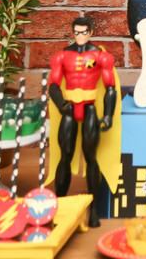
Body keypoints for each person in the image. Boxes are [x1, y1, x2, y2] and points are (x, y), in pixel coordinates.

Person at [48, 16, 119, 227]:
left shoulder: (100, 56)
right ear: (73, 32)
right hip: (69, 108)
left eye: (84, 32)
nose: (80, 36)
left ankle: (94, 209)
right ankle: (59, 206)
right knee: (65, 156)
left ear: (91, 32)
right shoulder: (62, 56)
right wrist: (61, 104)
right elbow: (53, 85)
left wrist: (108, 115)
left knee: (91, 157)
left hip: (89, 108)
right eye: (77, 32)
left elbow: (111, 88)